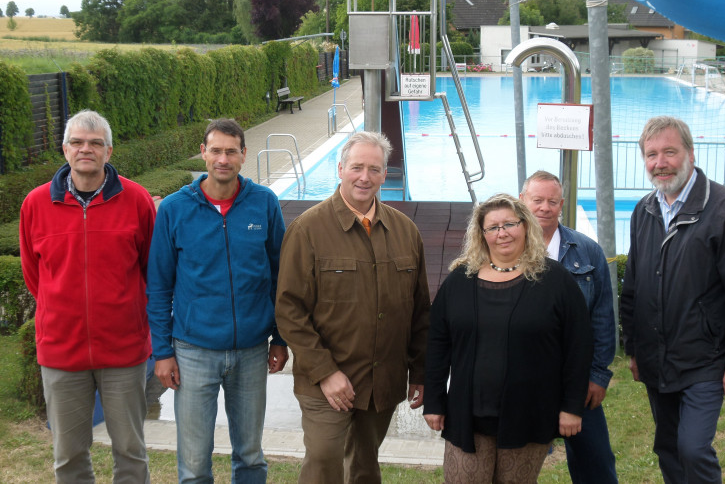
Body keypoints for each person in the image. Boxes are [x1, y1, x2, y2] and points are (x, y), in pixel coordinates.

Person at [275, 131, 430, 483]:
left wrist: (420, 372)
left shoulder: (406, 231)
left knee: (364, 466)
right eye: (357, 167)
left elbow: (421, 312)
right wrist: (326, 373)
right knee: (324, 461)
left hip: (382, 382)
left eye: (374, 169)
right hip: (324, 382)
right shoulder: (308, 229)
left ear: (384, 174)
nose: (365, 177)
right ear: (341, 168)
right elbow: (289, 310)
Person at [146, 118, 288, 483]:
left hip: (251, 350)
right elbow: (159, 286)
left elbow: (280, 277)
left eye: (230, 151)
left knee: (251, 456)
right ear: (203, 152)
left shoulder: (264, 204)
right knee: (193, 463)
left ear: (243, 154)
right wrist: (162, 352)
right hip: (193, 351)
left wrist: (280, 338)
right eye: (215, 150)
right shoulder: (175, 210)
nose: (222, 159)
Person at [19, 110, 155, 483]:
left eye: (95, 144)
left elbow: (150, 271)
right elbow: (35, 275)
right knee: (69, 456)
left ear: (109, 152)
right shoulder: (35, 205)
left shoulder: (137, 200)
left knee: (130, 452)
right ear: (65, 149)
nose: (86, 150)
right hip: (62, 354)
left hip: (124, 353)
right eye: (77, 142)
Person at [423, 193, 593, 483]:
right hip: (468, 415)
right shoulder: (459, 281)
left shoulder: (554, 280)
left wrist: (571, 407)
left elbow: (578, 347)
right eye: (493, 227)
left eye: (510, 224)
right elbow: (438, 344)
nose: (502, 233)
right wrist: (434, 401)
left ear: (525, 226)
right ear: (482, 234)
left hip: (529, 412)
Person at [621, 115, 725, 484]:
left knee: (693, 447)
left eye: (669, 152)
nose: (660, 162)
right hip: (656, 357)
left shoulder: (722, 208)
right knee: (667, 446)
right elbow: (632, 285)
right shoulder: (644, 210)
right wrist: (633, 348)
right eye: (651, 154)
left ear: (690, 154)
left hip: (706, 357)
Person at [520, 170, 618, 484]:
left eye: (552, 201)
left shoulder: (587, 251)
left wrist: (598, 376)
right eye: (537, 200)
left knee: (597, 466)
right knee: (518, 469)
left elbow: (603, 318)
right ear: (523, 201)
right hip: (524, 385)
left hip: (578, 382)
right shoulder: (503, 246)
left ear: (562, 204)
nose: (544, 208)